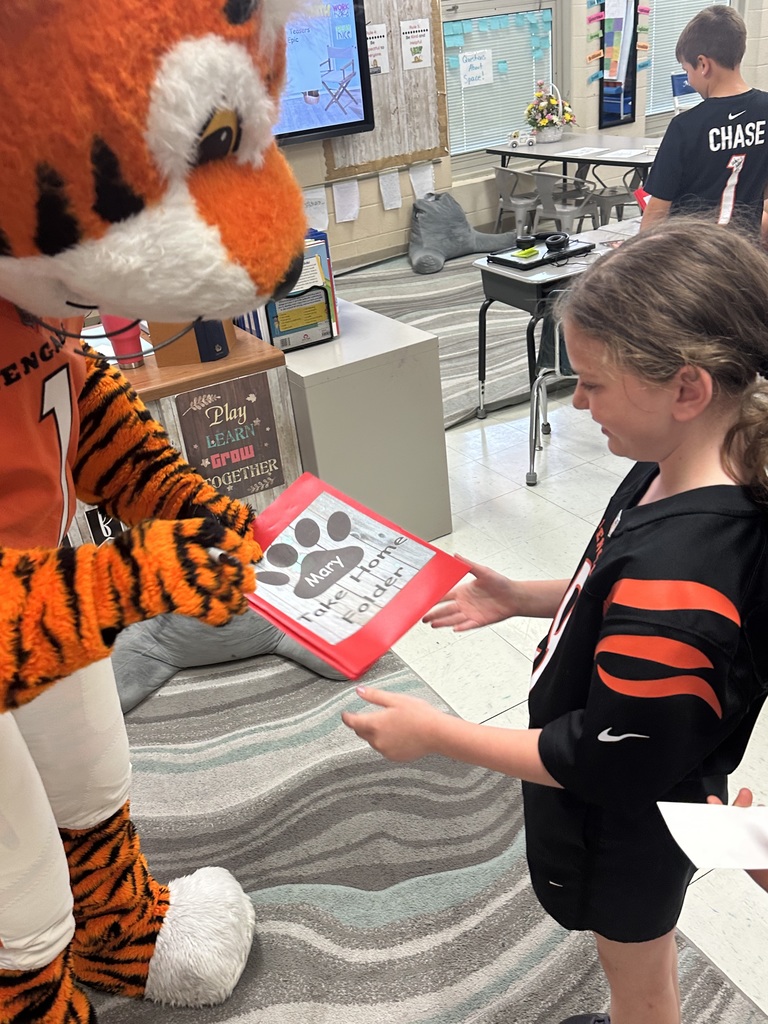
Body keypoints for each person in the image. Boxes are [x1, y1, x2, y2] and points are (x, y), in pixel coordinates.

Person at [342, 219, 768, 1024]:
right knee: (643, 950)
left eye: (595, 382)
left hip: (628, 821)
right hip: (669, 783)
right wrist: (522, 597)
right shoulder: (679, 465)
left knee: (637, 975)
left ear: (687, 388)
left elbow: (600, 760)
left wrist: (436, 735)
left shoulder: (683, 578)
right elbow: (615, 587)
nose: (578, 401)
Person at [640, 5, 768, 239]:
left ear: (703, 64)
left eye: (686, 70)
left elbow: (656, 214)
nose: (689, 80)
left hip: (693, 259)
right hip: (745, 255)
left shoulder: (684, 127)